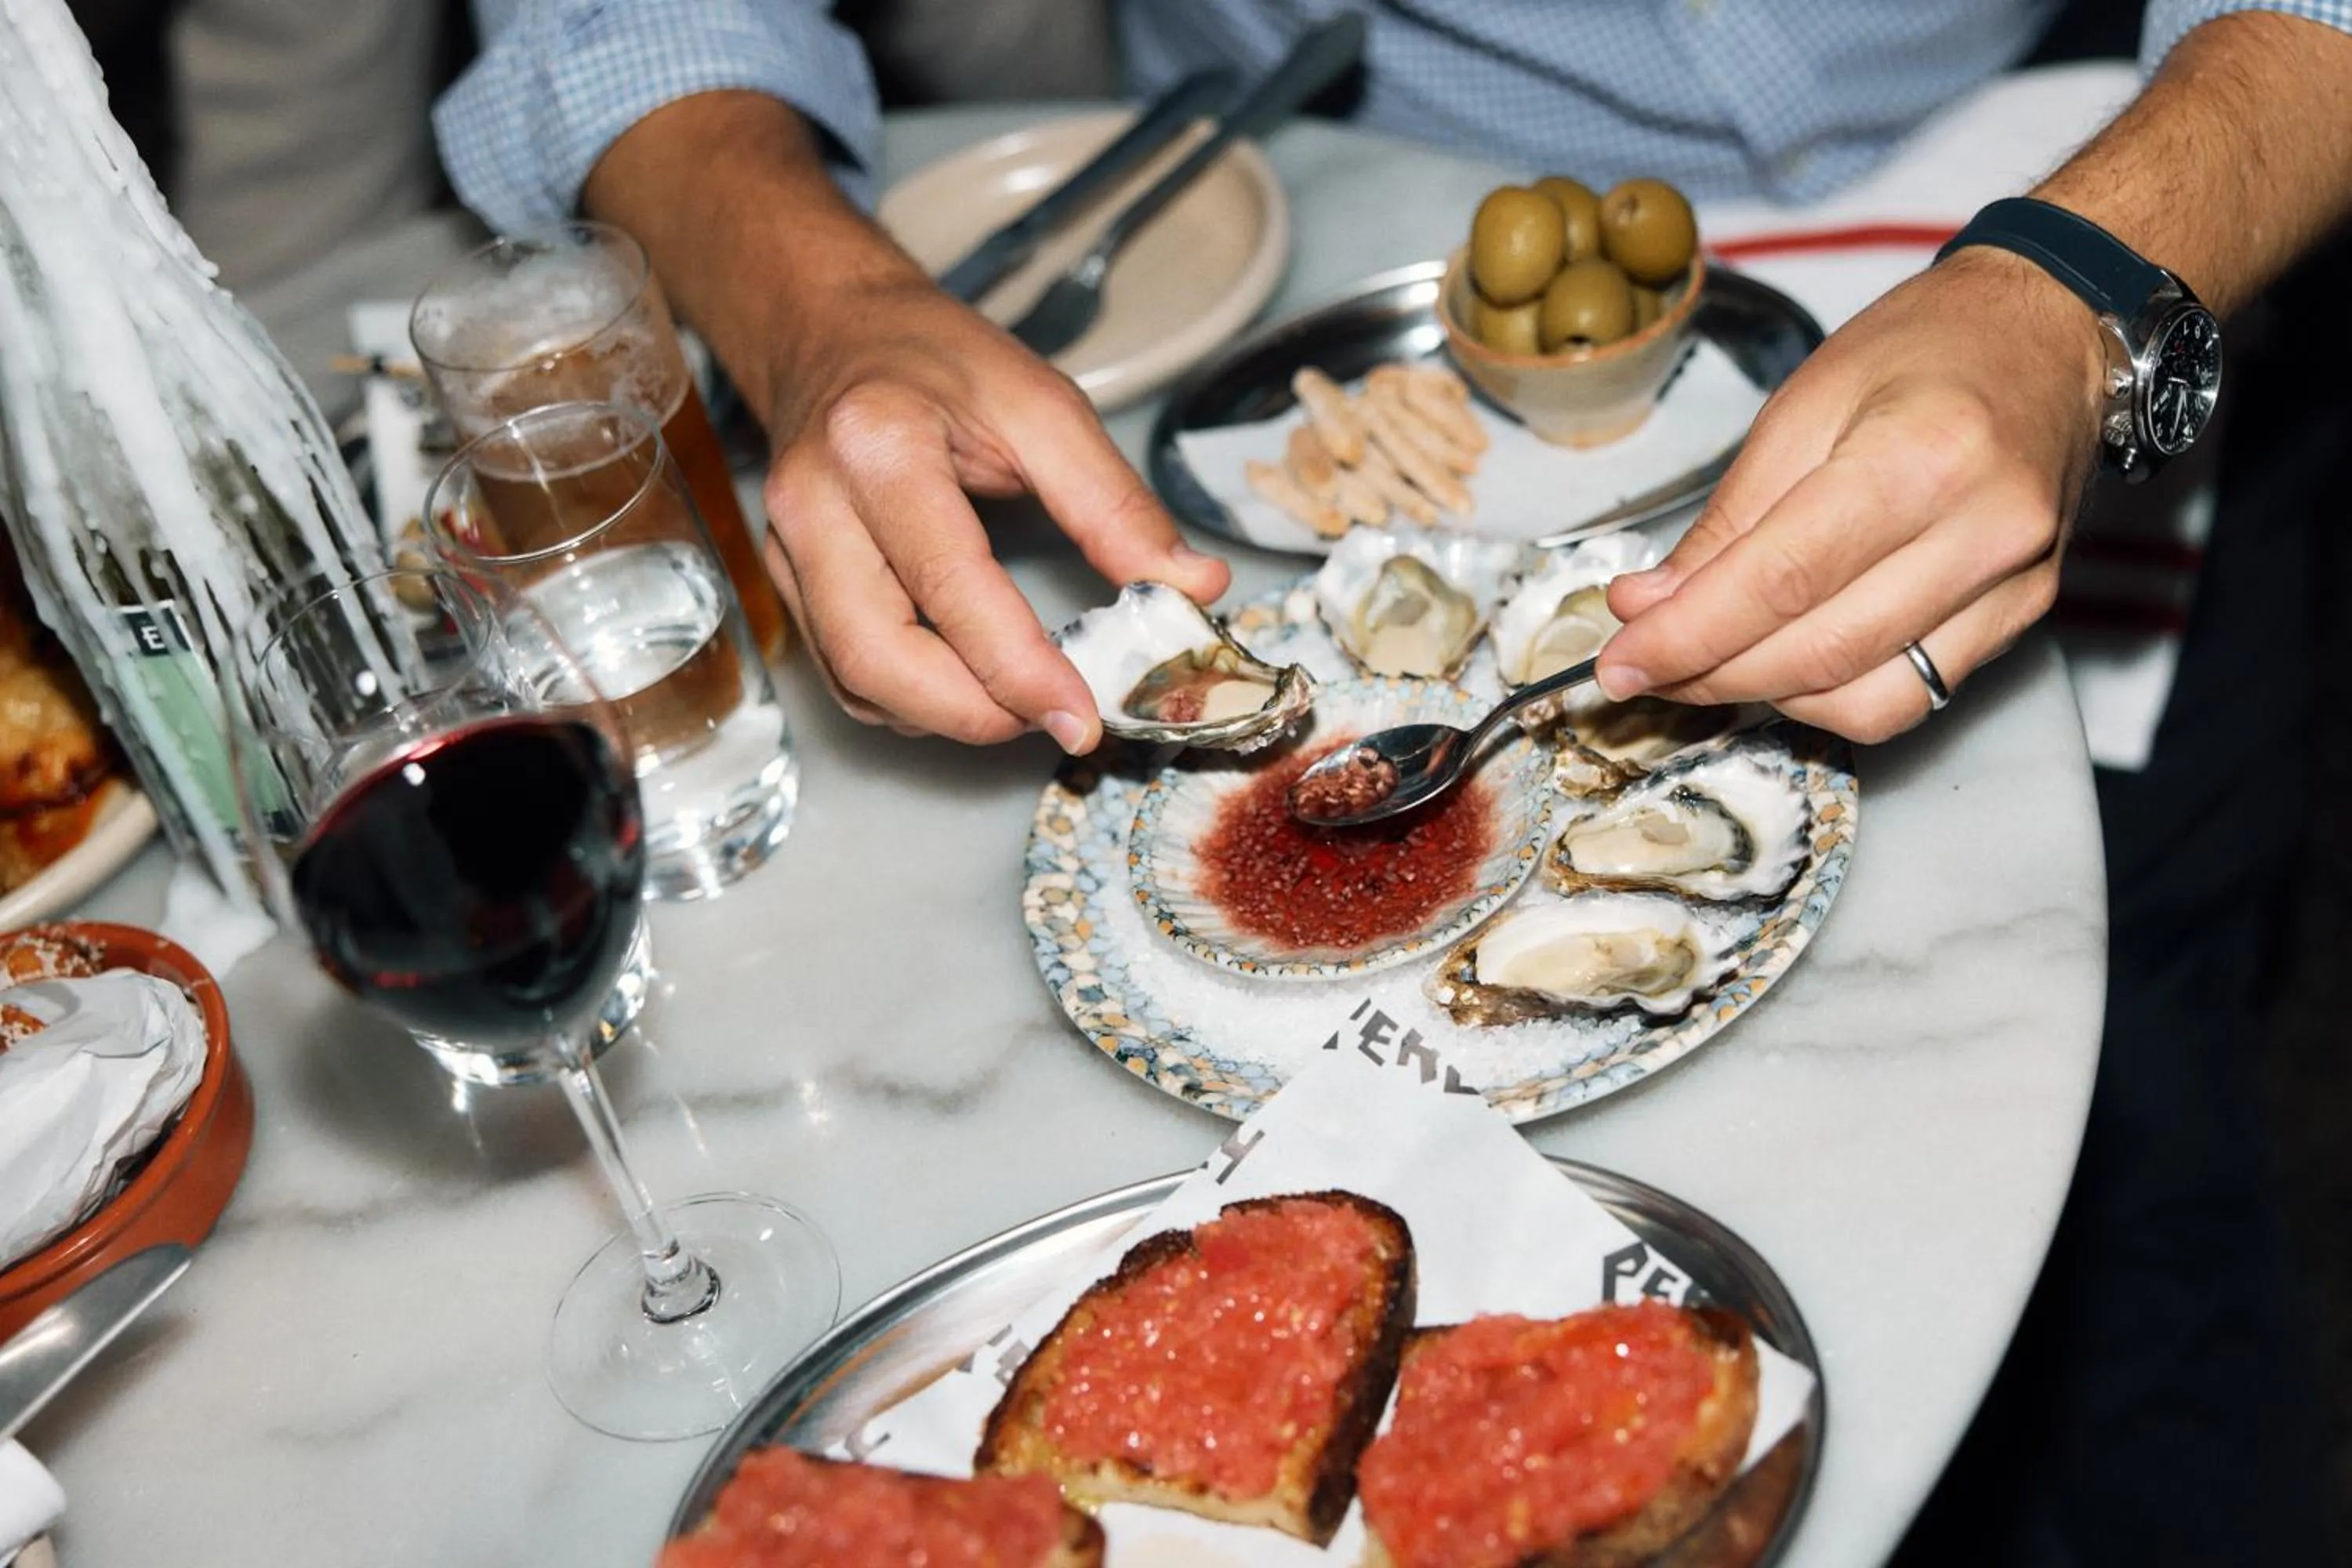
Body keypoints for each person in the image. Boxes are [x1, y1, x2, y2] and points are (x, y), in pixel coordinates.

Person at [435, 4, 2352, 1559]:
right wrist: (805, 303)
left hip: (2114, 217)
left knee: (2141, 1216)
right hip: (1322, 249)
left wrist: (2079, 286)